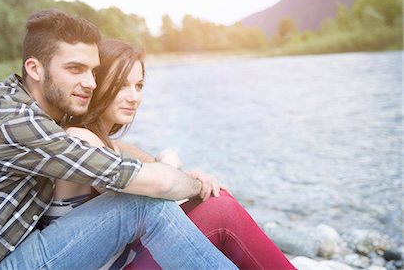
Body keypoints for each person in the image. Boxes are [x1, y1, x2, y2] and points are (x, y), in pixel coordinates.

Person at [0, 9, 238, 270]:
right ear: (35, 69)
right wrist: (197, 184)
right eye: (75, 69)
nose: (91, 83)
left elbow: (104, 150)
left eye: (93, 71)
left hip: (4, 256)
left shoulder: (10, 99)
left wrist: (156, 160)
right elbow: (142, 178)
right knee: (140, 206)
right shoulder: (17, 122)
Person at [46, 39, 297, 270]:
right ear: (96, 84)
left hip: (124, 261)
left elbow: (158, 179)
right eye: (122, 85)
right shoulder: (80, 140)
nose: (134, 97)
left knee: (216, 200)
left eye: (139, 85)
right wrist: (177, 167)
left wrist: (192, 180)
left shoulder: (109, 144)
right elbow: (153, 194)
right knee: (222, 211)